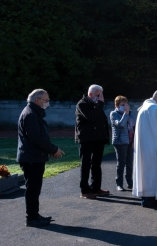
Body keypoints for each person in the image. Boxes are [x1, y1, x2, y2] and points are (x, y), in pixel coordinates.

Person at [17, 89, 65, 227]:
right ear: (37, 100)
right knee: (32, 189)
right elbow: (36, 138)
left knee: (35, 188)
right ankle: (31, 218)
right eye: (46, 100)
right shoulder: (30, 114)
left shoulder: (33, 113)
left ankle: (34, 215)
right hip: (31, 158)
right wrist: (53, 149)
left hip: (34, 157)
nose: (47, 103)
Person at [75, 84, 111, 199]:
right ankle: (85, 190)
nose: (100, 97)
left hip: (98, 139)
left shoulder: (96, 105)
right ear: (90, 94)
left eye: (101, 95)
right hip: (86, 139)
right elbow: (91, 117)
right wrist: (99, 104)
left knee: (96, 164)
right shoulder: (82, 104)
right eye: (98, 95)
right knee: (86, 164)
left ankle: (96, 187)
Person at [110, 95, 135, 191]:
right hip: (120, 141)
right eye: (122, 105)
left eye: (126, 104)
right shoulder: (114, 114)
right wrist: (126, 114)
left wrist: (134, 141)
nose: (125, 106)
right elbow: (120, 124)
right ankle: (119, 184)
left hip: (130, 140)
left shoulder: (130, 113)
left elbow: (133, 125)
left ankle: (130, 182)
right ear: (117, 105)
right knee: (121, 163)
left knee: (129, 163)